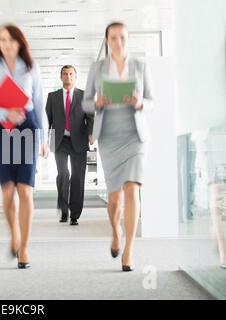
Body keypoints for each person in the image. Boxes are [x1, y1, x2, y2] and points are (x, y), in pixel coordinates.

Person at [82, 22, 153, 271]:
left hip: (134, 135)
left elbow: (151, 101)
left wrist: (140, 102)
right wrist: (97, 102)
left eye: (122, 37)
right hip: (109, 136)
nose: (118, 42)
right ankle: (116, 233)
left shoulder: (140, 66)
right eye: (113, 38)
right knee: (115, 199)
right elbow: (85, 103)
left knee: (133, 189)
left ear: (128, 38)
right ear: (107, 40)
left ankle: (129, 251)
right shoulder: (97, 68)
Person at [0, 24, 48, 269]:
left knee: (25, 190)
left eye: (11, 40)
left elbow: (38, 103)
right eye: (2, 40)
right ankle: (14, 234)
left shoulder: (30, 67)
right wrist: (3, 111)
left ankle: (25, 249)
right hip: (2, 129)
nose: (6, 44)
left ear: (20, 42)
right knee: (7, 190)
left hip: (27, 127)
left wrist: (44, 138)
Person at [45, 65, 93, 225]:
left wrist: (91, 133)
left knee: (78, 178)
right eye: (65, 74)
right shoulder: (52, 97)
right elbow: (47, 121)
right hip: (60, 142)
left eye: (71, 74)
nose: (68, 77)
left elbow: (91, 117)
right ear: (61, 77)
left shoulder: (84, 96)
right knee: (63, 175)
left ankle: (74, 215)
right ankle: (64, 211)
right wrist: (43, 141)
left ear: (76, 76)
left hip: (79, 141)